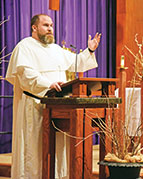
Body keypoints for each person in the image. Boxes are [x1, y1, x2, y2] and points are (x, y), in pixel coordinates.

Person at [5, 14, 101, 179]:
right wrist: (46, 84)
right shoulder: (25, 47)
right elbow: (25, 74)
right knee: (34, 148)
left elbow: (76, 62)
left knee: (55, 147)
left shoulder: (56, 49)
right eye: (45, 25)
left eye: (51, 25)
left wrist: (90, 50)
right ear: (34, 28)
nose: (50, 29)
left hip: (58, 107)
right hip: (35, 105)